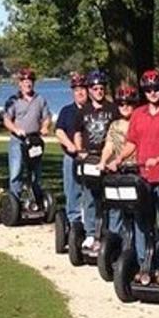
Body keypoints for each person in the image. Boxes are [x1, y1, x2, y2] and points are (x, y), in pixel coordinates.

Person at [111, 69, 159, 285]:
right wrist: (118, 159)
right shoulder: (138, 114)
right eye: (149, 89)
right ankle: (145, 263)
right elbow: (132, 142)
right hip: (143, 178)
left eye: (157, 88)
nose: (153, 92)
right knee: (142, 222)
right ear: (144, 91)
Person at [73, 69, 117, 251]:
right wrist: (79, 150)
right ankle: (91, 233)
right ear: (89, 90)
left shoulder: (113, 109)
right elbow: (77, 132)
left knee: (111, 198)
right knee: (90, 196)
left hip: (108, 159)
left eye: (101, 88)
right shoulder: (84, 111)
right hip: (90, 158)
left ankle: (112, 234)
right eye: (95, 88)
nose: (98, 91)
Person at [2, 67, 52, 206]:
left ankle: (37, 200)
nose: (27, 84)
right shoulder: (13, 100)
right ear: (20, 83)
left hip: (35, 140)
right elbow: (7, 120)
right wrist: (16, 129)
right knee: (16, 171)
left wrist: (45, 127)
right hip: (18, 140)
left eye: (30, 81)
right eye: (24, 81)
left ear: (33, 83)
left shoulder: (40, 99)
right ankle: (15, 203)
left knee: (36, 172)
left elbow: (47, 117)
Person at [55, 72, 89, 231]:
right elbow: (59, 131)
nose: (80, 92)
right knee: (72, 190)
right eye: (76, 90)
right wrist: (70, 145)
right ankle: (74, 222)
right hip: (72, 156)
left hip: (91, 158)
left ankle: (93, 220)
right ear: (72, 92)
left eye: (83, 89)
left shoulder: (93, 110)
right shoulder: (66, 111)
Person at [99, 84, 138, 170]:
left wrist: (118, 160)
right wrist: (103, 161)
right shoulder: (115, 125)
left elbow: (133, 145)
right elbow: (109, 146)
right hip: (118, 167)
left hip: (136, 167)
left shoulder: (140, 123)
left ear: (135, 105)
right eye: (121, 104)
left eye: (129, 103)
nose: (125, 107)